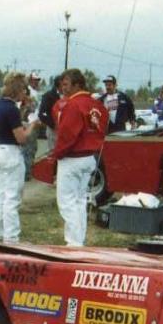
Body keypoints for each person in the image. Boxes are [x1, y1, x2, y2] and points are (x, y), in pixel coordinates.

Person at [50, 68, 107, 247]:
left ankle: (74, 243)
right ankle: (79, 240)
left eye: (66, 84)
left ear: (77, 85)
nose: (63, 88)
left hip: (72, 159)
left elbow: (67, 135)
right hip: (89, 157)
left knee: (67, 202)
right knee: (80, 201)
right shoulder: (97, 104)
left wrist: (56, 155)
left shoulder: (72, 105)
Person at [0, 71, 40, 243]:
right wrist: (32, 125)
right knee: (12, 198)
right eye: (23, 89)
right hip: (12, 153)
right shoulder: (11, 109)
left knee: (1, 196)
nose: (25, 93)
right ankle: (11, 237)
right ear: (18, 89)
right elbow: (22, 138)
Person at [21, 72, 45, 178]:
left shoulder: (36, 92)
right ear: (30, 80)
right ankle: (26, 172)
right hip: (29, 122)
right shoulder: (28, 91)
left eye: (37, 80)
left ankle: (28, 169)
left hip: (35, 122)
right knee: (28, 148)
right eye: (34, 80)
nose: (36, 82)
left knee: (32, 147)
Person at [38, 74, 61, 153]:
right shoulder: (48, 96)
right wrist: (53, 125)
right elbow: (42, 114)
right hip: (53, 130)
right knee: (53, 153)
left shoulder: (68, 95)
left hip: (65, 130)